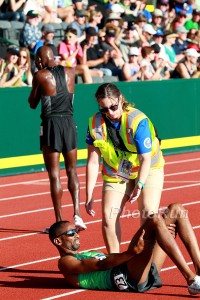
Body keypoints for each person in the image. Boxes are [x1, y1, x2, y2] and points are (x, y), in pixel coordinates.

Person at [49, 203, 200, 295]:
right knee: (154, 219)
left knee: (177, 209)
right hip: (127, 277)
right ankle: (191, 280)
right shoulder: (65, 262)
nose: (76, 235)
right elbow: (102, 264)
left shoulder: (86, 253)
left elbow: (108, 259)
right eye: (70, 233)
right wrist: (131, 253)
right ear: (57, 241)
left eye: (76, 231)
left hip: (139, 269)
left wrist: (162, 235)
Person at [85, 83, 165, 253]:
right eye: (104, 109)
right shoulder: (95, 123)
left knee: (148, 214)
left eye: (113, 107)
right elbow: (93, 161)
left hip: (148, 168)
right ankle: (115, 265)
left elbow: (145, 158)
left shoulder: (137, 121)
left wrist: (140, 184)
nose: (110, 113)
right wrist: (89, 194)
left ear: (120, 99)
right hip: (118, 171)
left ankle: (145, 261)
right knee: (108, 216)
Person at [28, 45, 86, 231]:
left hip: (51, 124)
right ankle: (77, 215)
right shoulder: (70, 71)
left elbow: (32, 103)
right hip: (69, 122)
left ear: (39, 59)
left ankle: (60, 222)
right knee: (72, 170)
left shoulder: (41, 75)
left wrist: (36, 77)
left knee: (54, 174)